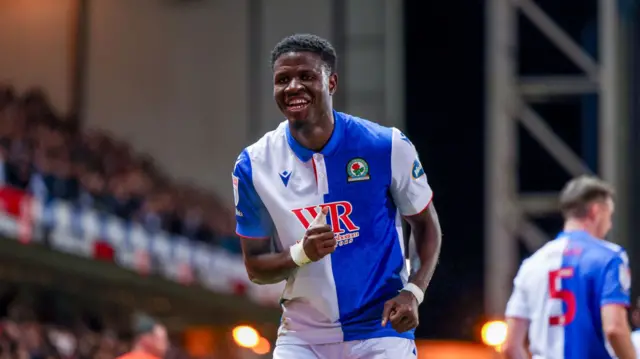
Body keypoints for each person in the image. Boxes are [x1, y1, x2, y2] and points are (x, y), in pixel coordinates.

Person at [232, 34, 442, 359]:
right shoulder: (254, 164)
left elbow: (426, 226)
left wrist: (413, 291)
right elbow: (256, 266)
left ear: (331, 82)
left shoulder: (386, 146)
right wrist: (302, 253)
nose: (293, 87)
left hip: (379, 330)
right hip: (303, 337)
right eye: (282, 80)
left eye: (306, 76)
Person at [502, 176, 636, 359]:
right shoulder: (609, 258)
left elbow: (510, 346)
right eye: (609, 216)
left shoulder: (531, 264)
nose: (609, 224)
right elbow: (614, 328)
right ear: (596, 212)